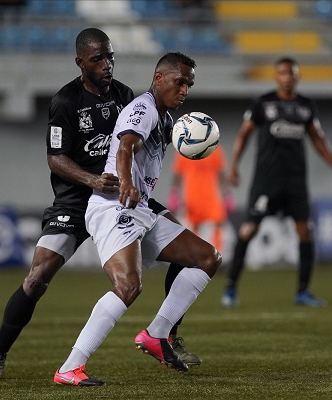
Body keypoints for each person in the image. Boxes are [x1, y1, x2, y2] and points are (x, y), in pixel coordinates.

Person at [0, 28, 200, 381]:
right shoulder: (65, 101)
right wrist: (94, 180)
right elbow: (55, 158)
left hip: (123, 194)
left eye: (110, 56)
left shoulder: (126, 96)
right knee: (37, 278)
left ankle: (167, 333)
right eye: (98, 59)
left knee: (186, 245)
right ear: (81, 62)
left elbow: (142, 138)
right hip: (78, 198)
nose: (107, 64)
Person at [53, 52, 221, 387]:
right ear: (159, 78)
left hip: (140, 208)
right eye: (179, 81)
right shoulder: (142, 108)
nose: (185, 89)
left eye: (189, 84)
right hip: (114, 207)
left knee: (207, 257)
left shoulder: (166, 120)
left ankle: (157, 334)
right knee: (129, 286)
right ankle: (70, 368)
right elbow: (126, 147)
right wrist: (127, 182)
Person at [221, 56, 332, 309]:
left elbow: (318, 138)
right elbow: (244, 134)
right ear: (276, 77)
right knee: (249, 230)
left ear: (297, 76)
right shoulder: (263, 103)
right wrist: (233, 165)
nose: (287, 77)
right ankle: (231, 287)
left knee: (305, 231)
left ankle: (302, 291)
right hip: (266, 180)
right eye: (282, 73)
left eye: (291, 73)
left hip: (296, 181)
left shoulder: (306, 105)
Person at [168, 145, 233, 253]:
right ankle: (196, 256)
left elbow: (221, 174)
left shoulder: (215, 149)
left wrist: (227, 194)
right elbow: (177, 175)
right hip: (192, 196)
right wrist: (174, 193)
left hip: (211, 196)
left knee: (218, 223)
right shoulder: (184, 150)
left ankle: (218, 254)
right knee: (194, 227)